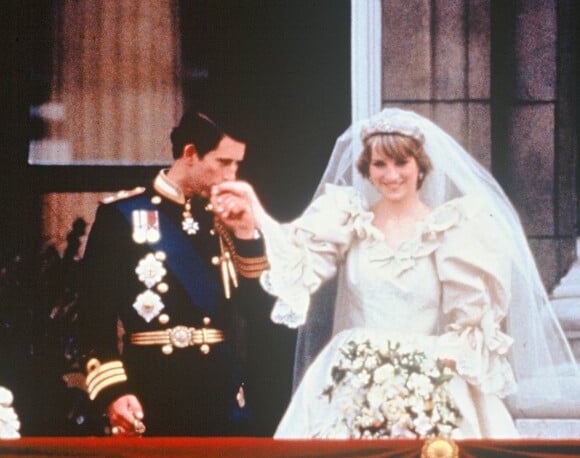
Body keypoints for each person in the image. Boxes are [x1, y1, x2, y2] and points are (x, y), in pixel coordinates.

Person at [211, 107, 580, 439]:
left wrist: (422, 379)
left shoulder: (452, 230)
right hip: (352, 377)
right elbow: (296, 264)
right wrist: (254, 216)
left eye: (401, 163)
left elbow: (469, 324)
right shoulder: (347, 221)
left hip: (429, 383)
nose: (391, 175)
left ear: (420, 166)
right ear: (366, 169)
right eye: (379, 164)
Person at [77, 106, 271, 437]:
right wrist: (113, 392)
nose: (231, 176)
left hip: (219, 392)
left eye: (237, 164)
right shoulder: (121, 216)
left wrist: (247, 236)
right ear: (190, 153)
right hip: (150, 390)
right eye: (223, 163)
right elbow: (94, 320)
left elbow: (259, 310)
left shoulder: (227, 218)